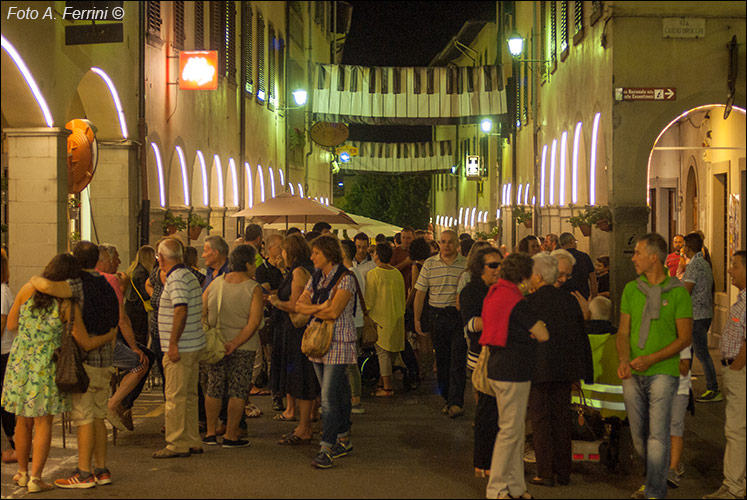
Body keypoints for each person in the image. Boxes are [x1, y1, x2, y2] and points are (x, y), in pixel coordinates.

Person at [2, 253, 117, 492]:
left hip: (20, 361)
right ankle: (36, 479)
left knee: (22, 421)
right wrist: (109, 336)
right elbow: (84, 342)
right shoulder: (67, 304)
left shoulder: (26, 290)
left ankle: (22, 473)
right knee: (44, 423)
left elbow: (11, 325)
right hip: (46, 366)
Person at [617, 233, 692, 500]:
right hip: (633, 372)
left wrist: (651, 359)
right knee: (639, 437)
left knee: (657, 435)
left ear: (654, 257)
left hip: (663, 371)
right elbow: (623, 332)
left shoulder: (678, 293)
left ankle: (654, 491)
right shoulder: (631, 290)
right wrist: (624, 359)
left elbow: (685, 337)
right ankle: (652, 479)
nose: (633, 258)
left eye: (637, 253)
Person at [481, 252, 550, 499]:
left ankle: (516, 485)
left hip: (497, 367)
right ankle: (497, 488)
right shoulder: (515, 300)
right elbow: (542, 334)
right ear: (523, 275)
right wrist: (532, 333)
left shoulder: (494, 294)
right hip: (515, 370)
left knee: (514, 431)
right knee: (510, 431)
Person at [526, 253, 593, 487]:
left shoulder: (529, 303)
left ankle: (544, 472)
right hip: (565, 370)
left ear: (537, 276)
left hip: (538, 369)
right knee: (562, 419)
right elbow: (578, 338)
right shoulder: (569, 301)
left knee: (541, 421)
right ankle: (564, 472)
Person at [296, 235, 357, 469]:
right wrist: (320, 307)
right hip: (318, 342)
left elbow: (334, 312)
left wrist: (315, 309)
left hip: (339, 342)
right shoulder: (317, 277)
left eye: (316, 253)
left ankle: (326, 447)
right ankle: (344, 437)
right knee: (338, 393)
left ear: (328, 254)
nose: (312, 257)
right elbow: (301, 305)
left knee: (328, 397)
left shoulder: (346, 279)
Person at [201, 245, 264, 448]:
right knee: (238, 390)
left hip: (216, 345)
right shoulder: (253, 288)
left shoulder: (215, 284)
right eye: (253, 262)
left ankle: (210, 433)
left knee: (214, 387)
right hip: (243, 347)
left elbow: (202, 311)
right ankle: (231, 435)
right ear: (246, 264)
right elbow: (254, 323)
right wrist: (235, 343)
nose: (255, 266)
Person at [153, 238, 206, 459]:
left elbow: (180, 310)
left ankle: (176, 443)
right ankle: (192, 439)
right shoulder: (189, 275)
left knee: (174, 397)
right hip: (193, 344)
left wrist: (172, 343)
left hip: (180, 348)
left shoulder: (175, 279)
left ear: (162, 258)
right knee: (190, 395)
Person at [703, 250, 746, 500]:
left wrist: (736, 367)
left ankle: (733, 487)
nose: (730, 270)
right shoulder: (741, 298)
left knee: (736, 429)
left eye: (735, 266)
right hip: (734, 370)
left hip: (738, 371)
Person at [268, 234, 318, 444]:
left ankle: (304, 427)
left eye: (284, 249)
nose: (281, 253)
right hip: (294, 330)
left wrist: (275, 301)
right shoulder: (300, 269)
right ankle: (305, 423)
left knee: (301, 377)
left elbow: (295, 304)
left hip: (296, 331)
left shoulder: (298, 272)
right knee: (301, 376)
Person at [413, 229, 468, 418]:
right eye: (443, 242)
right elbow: (420, 293)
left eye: (450, 242)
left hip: (457, 316)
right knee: (443, 361)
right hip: (437, 316)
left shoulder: (465, 265)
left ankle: (456, 402)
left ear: (457, 245)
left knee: (458, 360)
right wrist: (417, 318)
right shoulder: (430, 264)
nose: (446, 246)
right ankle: (447, 397)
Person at [459, 246, 503, 477]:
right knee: (486, 410)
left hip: (505, 356)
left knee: (503, 414)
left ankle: (499, 459)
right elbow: (470, 324)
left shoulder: (504, 289)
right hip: (481, 357)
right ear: (480, 268)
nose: (498, 269)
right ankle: (483, 462)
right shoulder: (471, 292)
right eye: (493, 265)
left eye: (500, 265)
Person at [681, 232, 720, 403]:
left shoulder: (694, 265)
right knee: (687, 351)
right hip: (704, 313)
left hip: (696, 315)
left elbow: (686, 290)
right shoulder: (704, 264)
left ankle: (713, 388)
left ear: (687, 247)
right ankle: (683, 385)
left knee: (701, 353)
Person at [365, 243, 406, 396]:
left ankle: (387, 388)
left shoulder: (374, 274)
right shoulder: (397, 273)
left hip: (380, 319)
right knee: (390, 353)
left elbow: (369, 300)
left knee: (382, 354)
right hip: (396, 317)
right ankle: (382, 383)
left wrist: (365, 313)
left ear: (377, 255)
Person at [256, 234, 285, 410]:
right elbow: (267, 292)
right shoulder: (263, 269)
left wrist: (282, 270)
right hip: (270, 318)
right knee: (272, 357)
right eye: (280, 247)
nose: (282, 251)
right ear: (271, 249)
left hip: (284, 316)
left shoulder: (285, 269)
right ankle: (276, 393)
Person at [340, 239, 366, 413]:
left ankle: (355, 399)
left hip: (352, 321)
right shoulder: (356, 271)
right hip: (357, 320)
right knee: (350, 362)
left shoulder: (349, 273)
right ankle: (353, 397)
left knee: (350, 363)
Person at [667, 345, 692, 489]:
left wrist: (665, 357)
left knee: (675, 426)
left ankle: (673, 469)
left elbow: (684, 368)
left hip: (679, 389)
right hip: (659, 388)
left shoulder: (682, 341)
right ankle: (672, 462)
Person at [1, 250, 17, 464]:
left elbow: (2, 323)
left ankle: (12, 443)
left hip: (4, 352)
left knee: (5, 401)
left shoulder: (3, 293)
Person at [124, 245, 156, 347]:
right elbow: (146, 294)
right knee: (140, 337)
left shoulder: (133, 269)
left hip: (131, 307)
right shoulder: (142, 273)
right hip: (138, 310)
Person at [559, 232, 597, 299]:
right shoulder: (584, 257)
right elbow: (593, 278)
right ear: (572, 241)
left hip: (562, 296)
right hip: (583, 296)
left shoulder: (558, 258)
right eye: (575, 241)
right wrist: (594, 295)